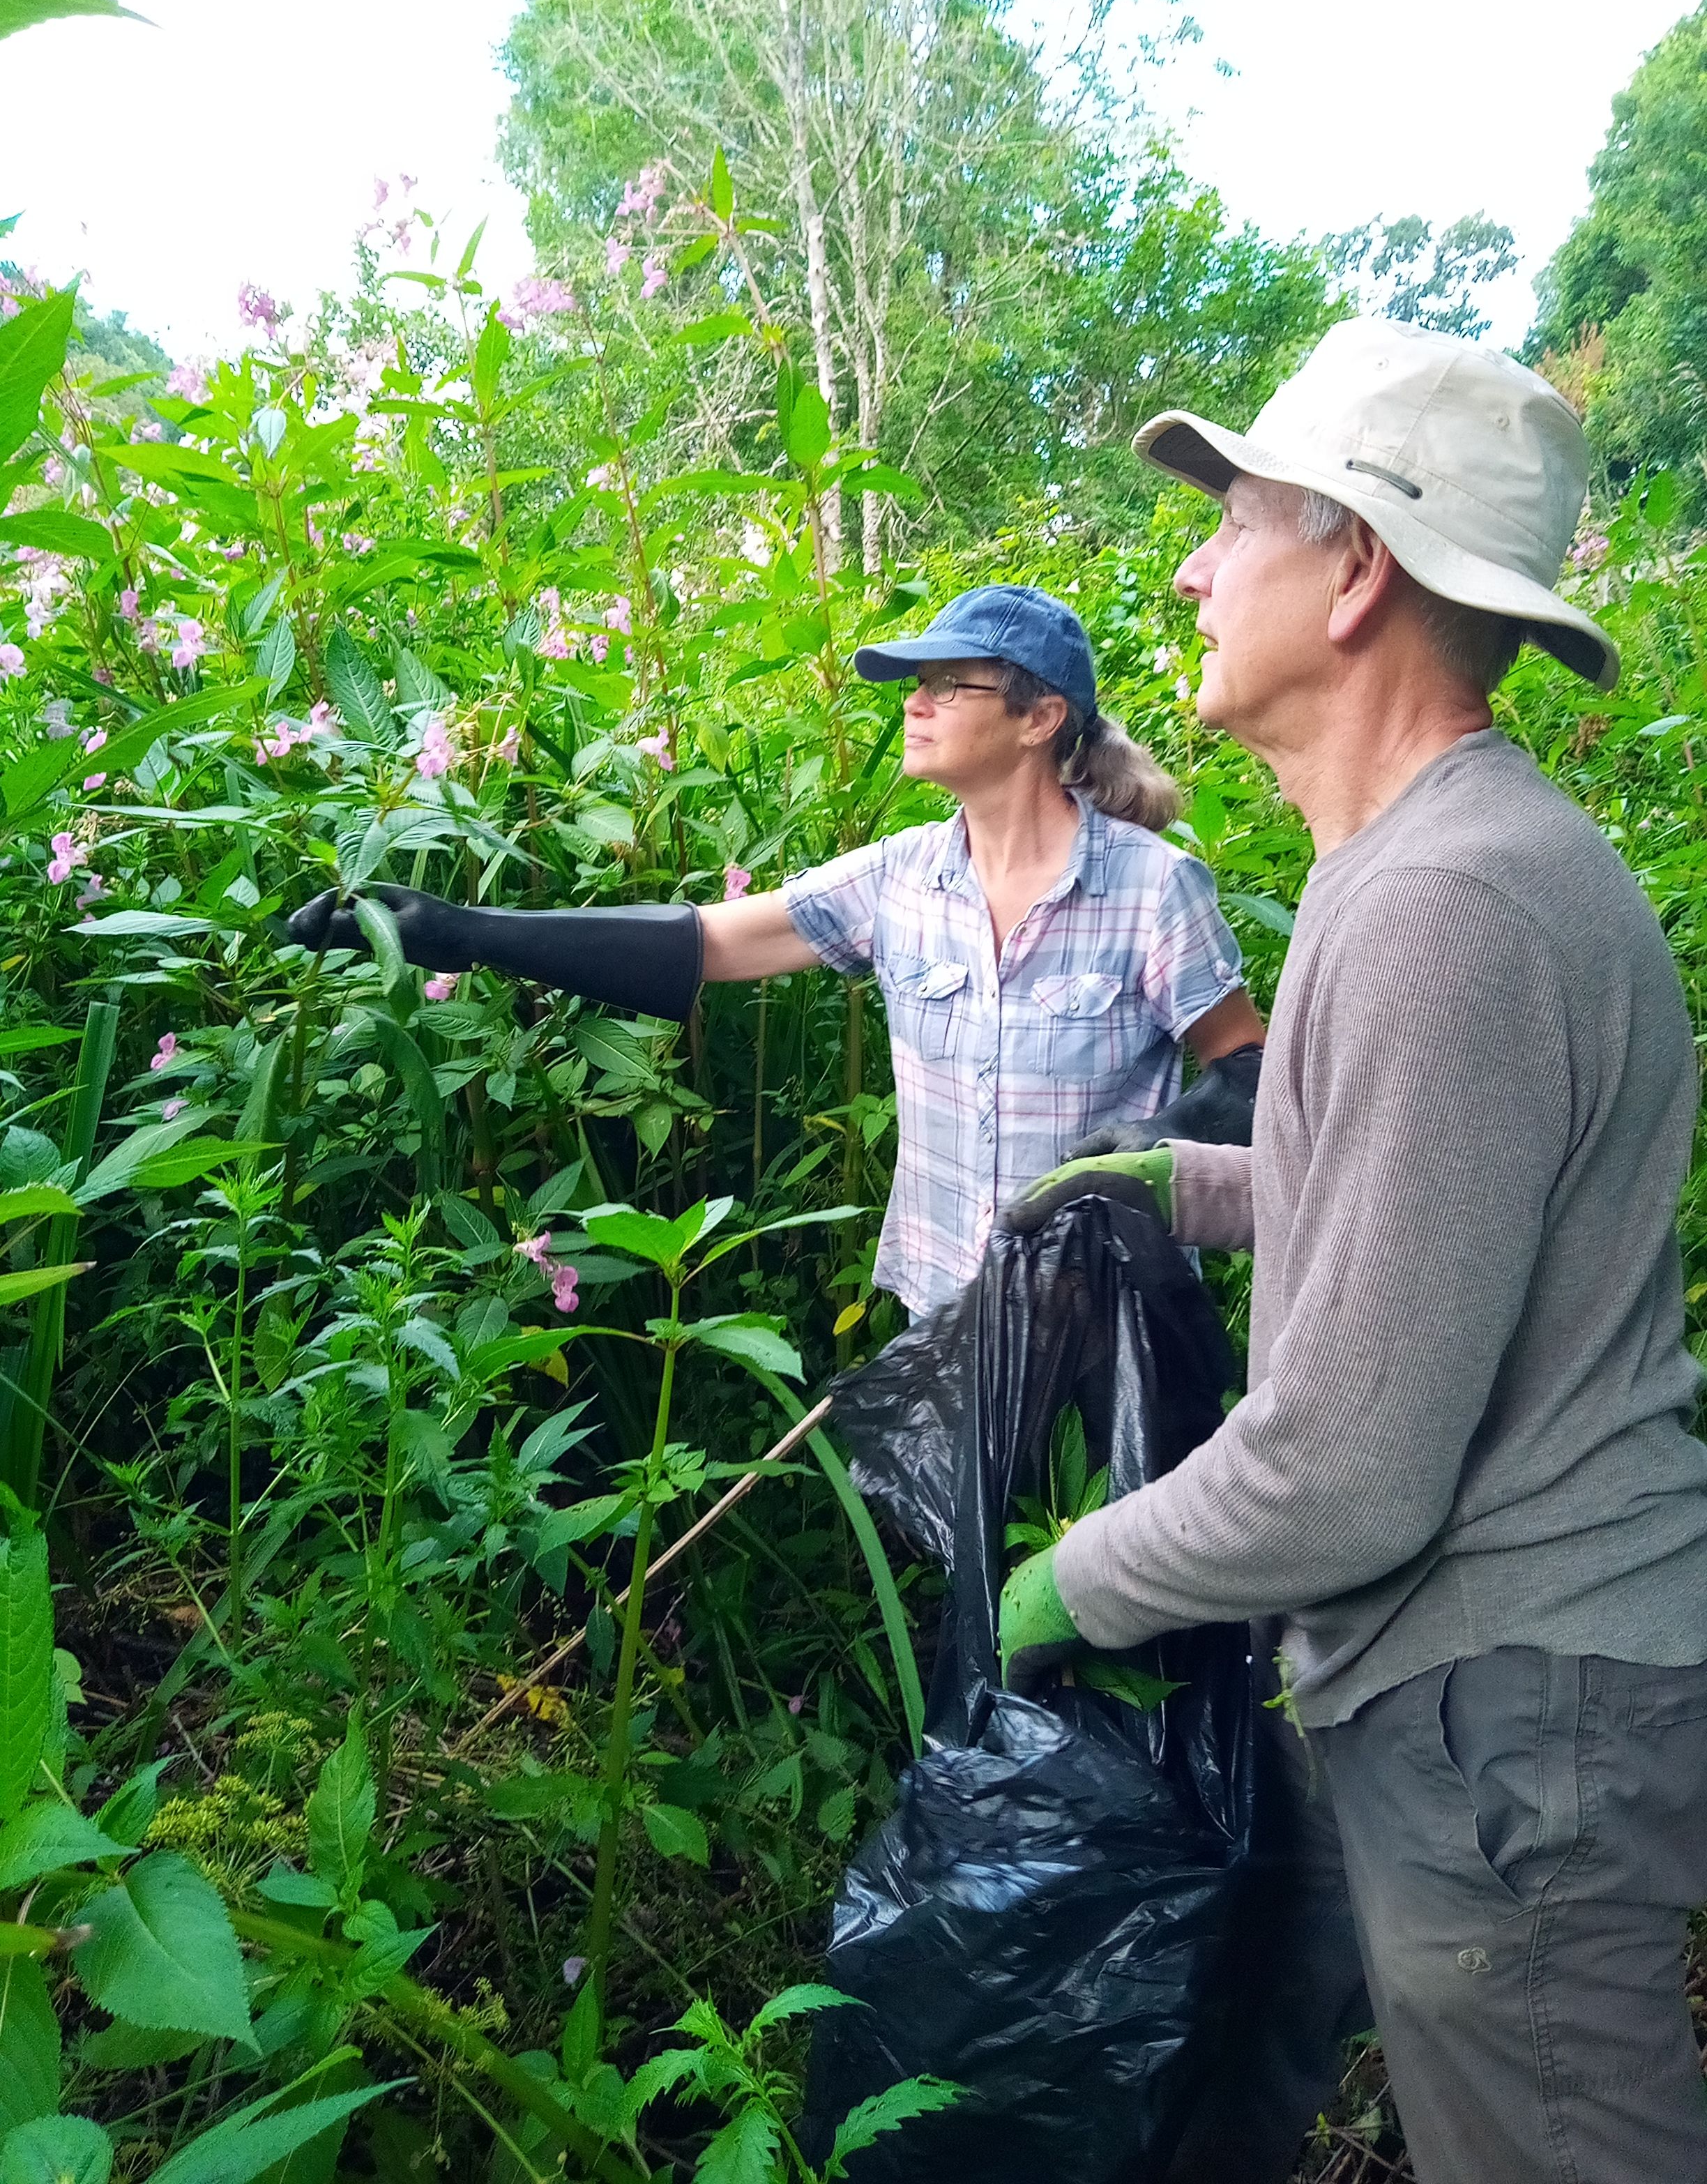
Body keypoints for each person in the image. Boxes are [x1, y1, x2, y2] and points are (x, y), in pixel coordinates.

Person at [1001, 317, 1707, 2183]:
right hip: (1501, 1690)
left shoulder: (1450, 906)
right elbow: (1431, 1216)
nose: (1191, 563)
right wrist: (1183, 1182)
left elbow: (1345, 1473)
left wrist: (1074, 1582)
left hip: (1513, 1709)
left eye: (1235, 519)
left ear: (1360, 569)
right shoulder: (1419, 868)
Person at [289, 584, 1264, 1318]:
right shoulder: (899, 878)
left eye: (946, 686)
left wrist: (1142, 1157)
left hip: (1107, 1311)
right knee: (975, 1581)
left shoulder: (1150, 886)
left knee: (1098, 1572)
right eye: (913, 687)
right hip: (946, 1306)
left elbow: (1250, 1071)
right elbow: (703, 943)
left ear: (1041, 718)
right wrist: (463, 932)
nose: (913, 706)